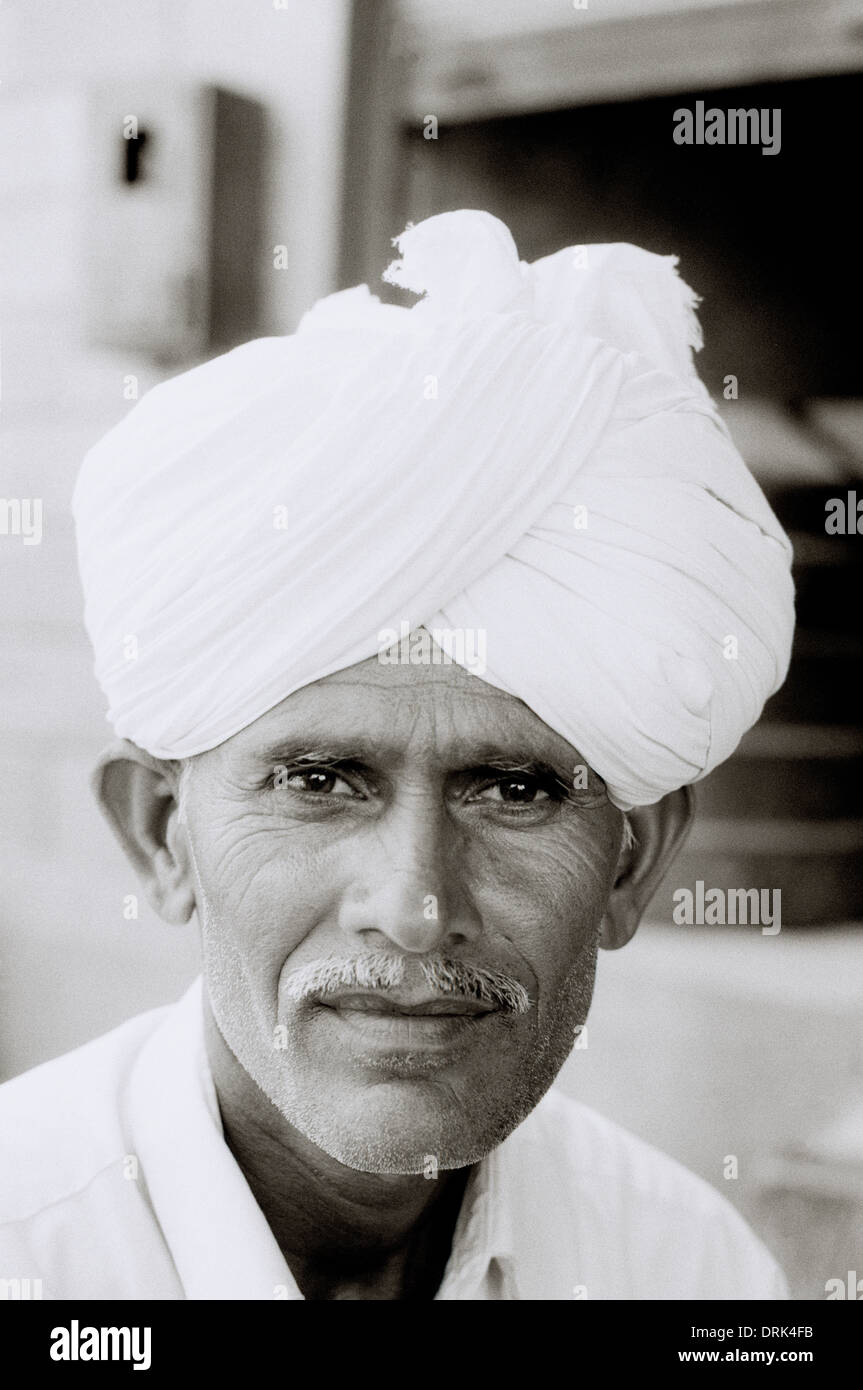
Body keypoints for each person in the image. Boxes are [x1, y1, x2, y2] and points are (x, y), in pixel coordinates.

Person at [0, 211, 794, 1300]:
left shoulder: (684, 1272)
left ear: (630, 864)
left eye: (513, 791)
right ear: (159, 835)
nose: (415, 907)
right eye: (318, 782)